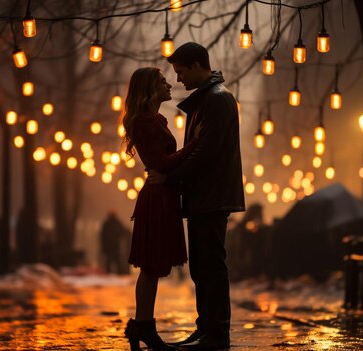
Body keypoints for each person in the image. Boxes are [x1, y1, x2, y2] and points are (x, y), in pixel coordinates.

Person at [150, 42, 245, 350]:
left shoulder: (216, 100)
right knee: (202, 266)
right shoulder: (208, 100)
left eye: (180, 72)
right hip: (205, 195)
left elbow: (206, 151)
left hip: (211, 195)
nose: (178, 80)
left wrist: (170, 175)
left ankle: (215, 335)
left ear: (195, 65)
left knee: (210, 266)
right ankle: (206, 330)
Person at [122, 67, 200, 351]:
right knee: (150, 265)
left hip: (163, 194)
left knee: (152, 267)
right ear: (150, 89)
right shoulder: (145, 122)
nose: (169, 85)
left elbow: (163, 163)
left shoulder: (152, 120)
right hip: (157, 197)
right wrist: (195, 145)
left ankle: (142, 326)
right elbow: (162, 163)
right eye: (162, 81)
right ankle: (143, 326)